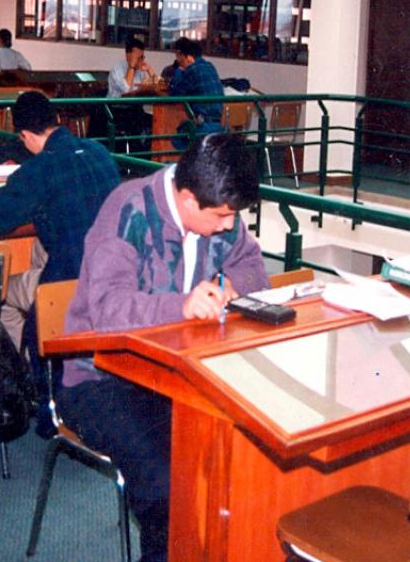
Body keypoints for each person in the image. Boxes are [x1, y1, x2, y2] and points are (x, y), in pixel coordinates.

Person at [58, 133, 269, 562]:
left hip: (177, 373)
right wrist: (183, 305)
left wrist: (229, 287)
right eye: (223, 216)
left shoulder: (217, 206)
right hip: (101, 377)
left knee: (235, 458)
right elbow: (107, 310)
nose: (229, 226)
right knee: (168, 485)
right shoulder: (128, 210)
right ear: (188, 199)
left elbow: (253, 271)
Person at [0, 91, 120, 435]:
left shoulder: (40, 168)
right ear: (56, 120)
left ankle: (30, 385)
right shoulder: (101, 152)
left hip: (68, 285)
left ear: (25, 136)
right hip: (113, 280)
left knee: (2, 294)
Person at [169, 37, 225, 144]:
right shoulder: (210, 66)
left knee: (175, 139)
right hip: (218, 125)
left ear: (184, 55)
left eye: (178, 57)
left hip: (203, 127)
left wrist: (179, 72)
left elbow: (174, 96)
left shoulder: (191, 70)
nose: (178, 61)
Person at [107, 37, 158, 152]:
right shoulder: (117, 69)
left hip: (134, 109)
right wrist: (131, 67)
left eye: (142, 57)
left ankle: (144, 153)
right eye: (137, 57)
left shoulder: (140, 71)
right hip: (117, 110)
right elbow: (125, 90)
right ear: (127, 55)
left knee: (154, 122)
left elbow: (157, 85)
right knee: (139, 124)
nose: (140, 60)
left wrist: (150, 71)